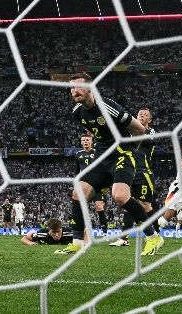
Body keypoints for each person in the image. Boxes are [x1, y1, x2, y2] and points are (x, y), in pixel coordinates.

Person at [57, 73, 163, 256]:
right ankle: (77, 242)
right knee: (78, 193)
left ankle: (153, 237)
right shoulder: (78, 112)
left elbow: (139, 129)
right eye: (71, 88)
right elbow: (98, 132)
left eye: (79, 87)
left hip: (122, 155)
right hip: (102, 158)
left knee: (120, 196)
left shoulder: (107, 106)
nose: (74, 91)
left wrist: (129, 150)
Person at [110, 108, 159, 247]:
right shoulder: (129, 131)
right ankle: (123, 238)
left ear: (150, 120)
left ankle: (156, 233)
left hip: (144, 172)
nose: (142, 116)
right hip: (130, 170)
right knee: (127, 204)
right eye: (139, 114)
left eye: (145, 115)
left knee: (145, 205)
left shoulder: (151, 132)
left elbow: (145, 139)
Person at [76, 134, 108, 237]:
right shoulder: (78, 154)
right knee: (81, 208)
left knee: (99, 207)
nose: (85, 142)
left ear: (91, 141)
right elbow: (77, 171)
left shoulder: (96, 153)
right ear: (81, 142)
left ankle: (105, 233)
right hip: (84, 185)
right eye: (83, 140)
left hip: (96, 184)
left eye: (87, 140)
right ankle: (83, 232)